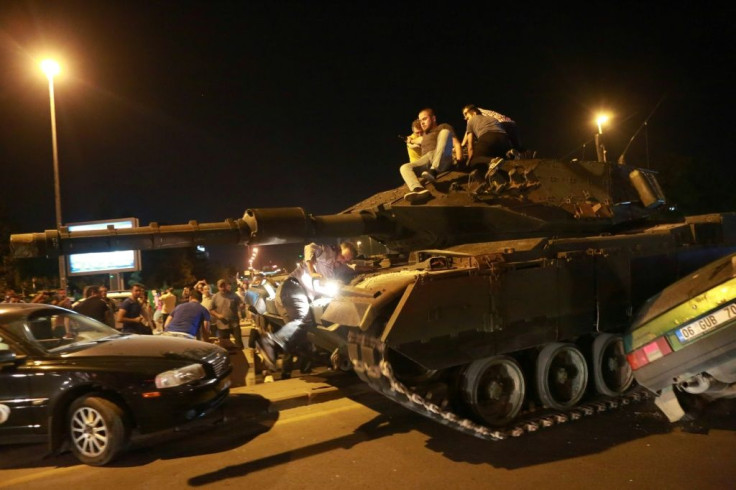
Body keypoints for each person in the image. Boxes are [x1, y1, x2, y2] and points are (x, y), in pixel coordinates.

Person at [254, 242, 356, 371]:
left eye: (346, 260)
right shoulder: (327, 252)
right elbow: (310, 247)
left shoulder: (335, 267)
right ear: (339, 250)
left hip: (300, 293)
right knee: (302, 319)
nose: (343, 261)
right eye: (343, 256)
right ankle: (269, 343)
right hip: (292, 287)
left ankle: (306, 362)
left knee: (303, 330)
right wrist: (312, 271)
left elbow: (351, 269)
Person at [399, 108, 462, 203]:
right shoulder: (424, 135)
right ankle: (418, 190)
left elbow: (456, 144)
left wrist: (459, 160)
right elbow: (415, 140)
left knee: (445, 133)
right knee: (405, 167)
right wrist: (409, 140)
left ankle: (433, 171)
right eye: (420, 121)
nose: (422, 123)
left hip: (442, 156)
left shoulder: (443, 126)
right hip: (426, 159)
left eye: (424, 119)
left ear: (433, 118)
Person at [461, 104, 512, 170]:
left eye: (466, 115)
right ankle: (509, 154)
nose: (465, 118)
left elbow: (470, 146)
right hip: (505, 139)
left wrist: (469, 160)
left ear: (474, 113)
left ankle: (494, 161)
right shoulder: (492, 118)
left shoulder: (470, 121)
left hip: (488, 137)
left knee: (475, 160)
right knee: (495, 154)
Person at [210, 279, 244, 348]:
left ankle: (241, 357)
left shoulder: (233, 294)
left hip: (234, 324)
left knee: (239, 344)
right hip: (222, 325)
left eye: (224, 286)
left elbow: (241, 303)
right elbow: (211, 309)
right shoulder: (215, 297)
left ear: (226, 286)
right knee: (225, 346)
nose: (223, 288)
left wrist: (242, 305)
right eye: (221, 286)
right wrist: (217, 315)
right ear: (218, 287)